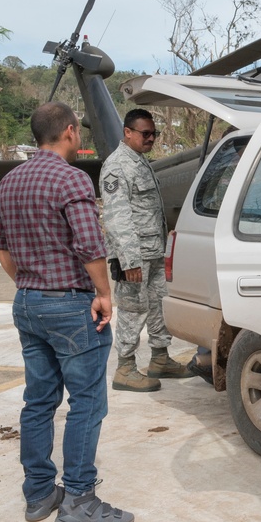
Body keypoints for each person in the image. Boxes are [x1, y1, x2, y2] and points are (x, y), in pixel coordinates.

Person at [0, 101, 133, 522]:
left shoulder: (9, 181)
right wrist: (104, 294)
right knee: (87, 403)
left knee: (38, 400)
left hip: (28, 303)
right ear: (70, 131)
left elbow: (0, 246)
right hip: (70, 306)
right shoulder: (71, 179)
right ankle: (79, 499)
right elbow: (91, 248)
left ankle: (38, 493)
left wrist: (28, 283)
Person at [100, 109, 194, 392]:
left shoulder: (140, 162)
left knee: (158, 306)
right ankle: (125, 367)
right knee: (132, 308)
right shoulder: (117, 166)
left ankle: (160, 358)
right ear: (127, 132)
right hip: (135, 257)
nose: (151, 138)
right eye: (145, 133)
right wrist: (129, 260)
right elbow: (117, 218)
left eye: (155, 134)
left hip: (153, 252)